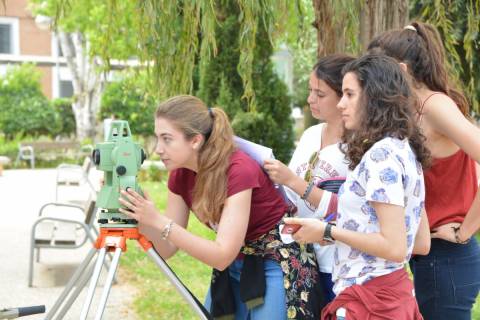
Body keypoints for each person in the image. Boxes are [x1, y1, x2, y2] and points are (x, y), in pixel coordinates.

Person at [118, 95, 324, 320]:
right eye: (157, 138)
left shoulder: (238, 170)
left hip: (276, 262)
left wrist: (158, 221)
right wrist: (140, 216)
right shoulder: (180, 174)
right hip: (236, 263)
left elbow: (221, 255)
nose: (158, 149)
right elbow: (167, 248)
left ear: (195, 140)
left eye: (167, 139)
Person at [284, 54, 431, 319]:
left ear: (375, 97)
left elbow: (395, 247)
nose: (341, 104)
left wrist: (329, 230)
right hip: (391, 293)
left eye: (349, 94)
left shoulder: (380, 155)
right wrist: (326, 233)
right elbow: (418, 242)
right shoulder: (402, 147)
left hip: (372, 301)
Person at [368, 21, 480, 320]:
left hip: (448, 257)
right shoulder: (412, 110)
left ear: (402, 70)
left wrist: (464, 230)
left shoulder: (434, 106)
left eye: (380, 70)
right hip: (428, 255)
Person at [263, 54, 354, 303]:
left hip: (338, 264)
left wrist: (292, 180)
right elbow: (289, 194)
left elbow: (348, 209)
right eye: (310, 91)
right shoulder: (311, 134)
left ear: (344, 95)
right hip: (303, 258)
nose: (310, 99)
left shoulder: (358, 148)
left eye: (320, 94)